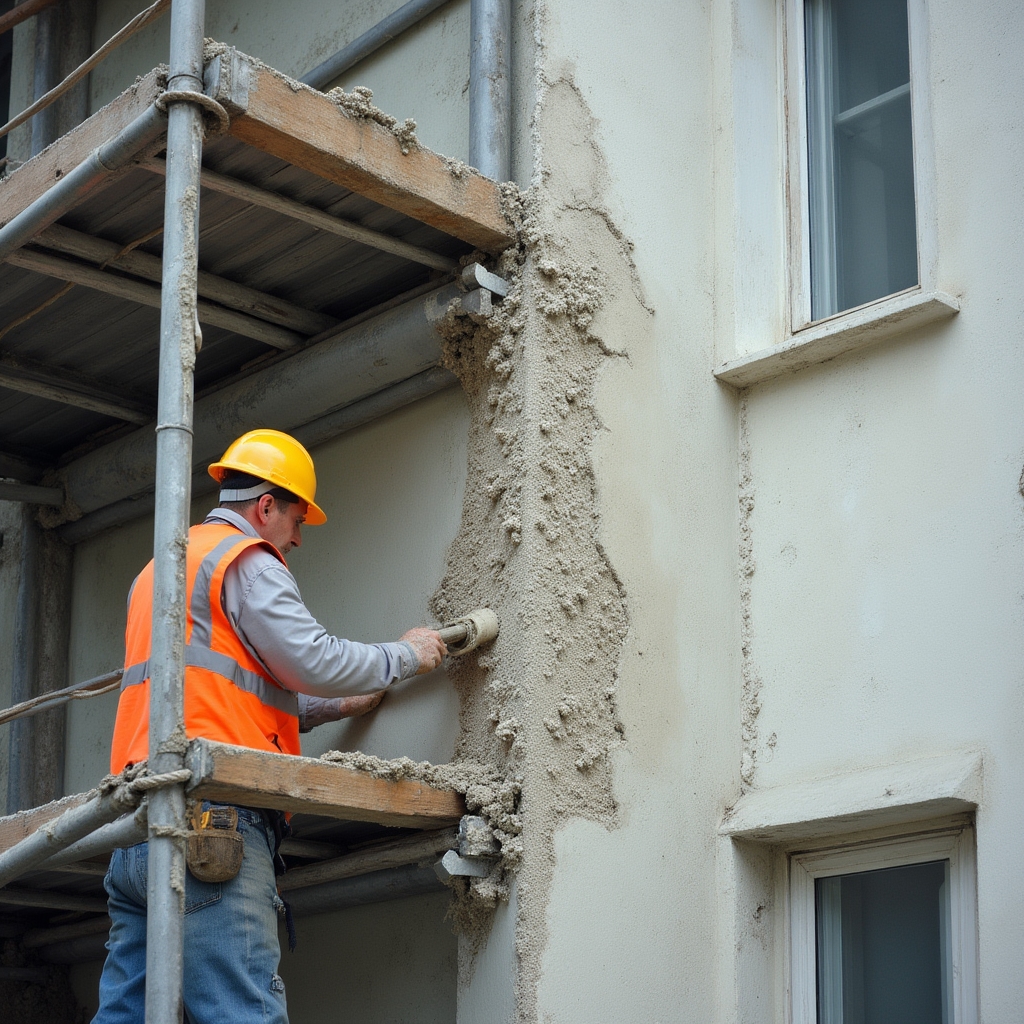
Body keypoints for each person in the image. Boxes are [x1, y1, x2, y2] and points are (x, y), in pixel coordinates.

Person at [93, 428, 447, 1024]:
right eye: (296, 520)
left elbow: (220, 690)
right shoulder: (247, 560)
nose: (298, 539)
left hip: (134, 829)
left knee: (126, 1017)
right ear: (264, 507)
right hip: (210, 817)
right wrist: (408, 655)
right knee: (242, 1012)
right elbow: (313, 658)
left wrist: (331, 707)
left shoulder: (164, 566)